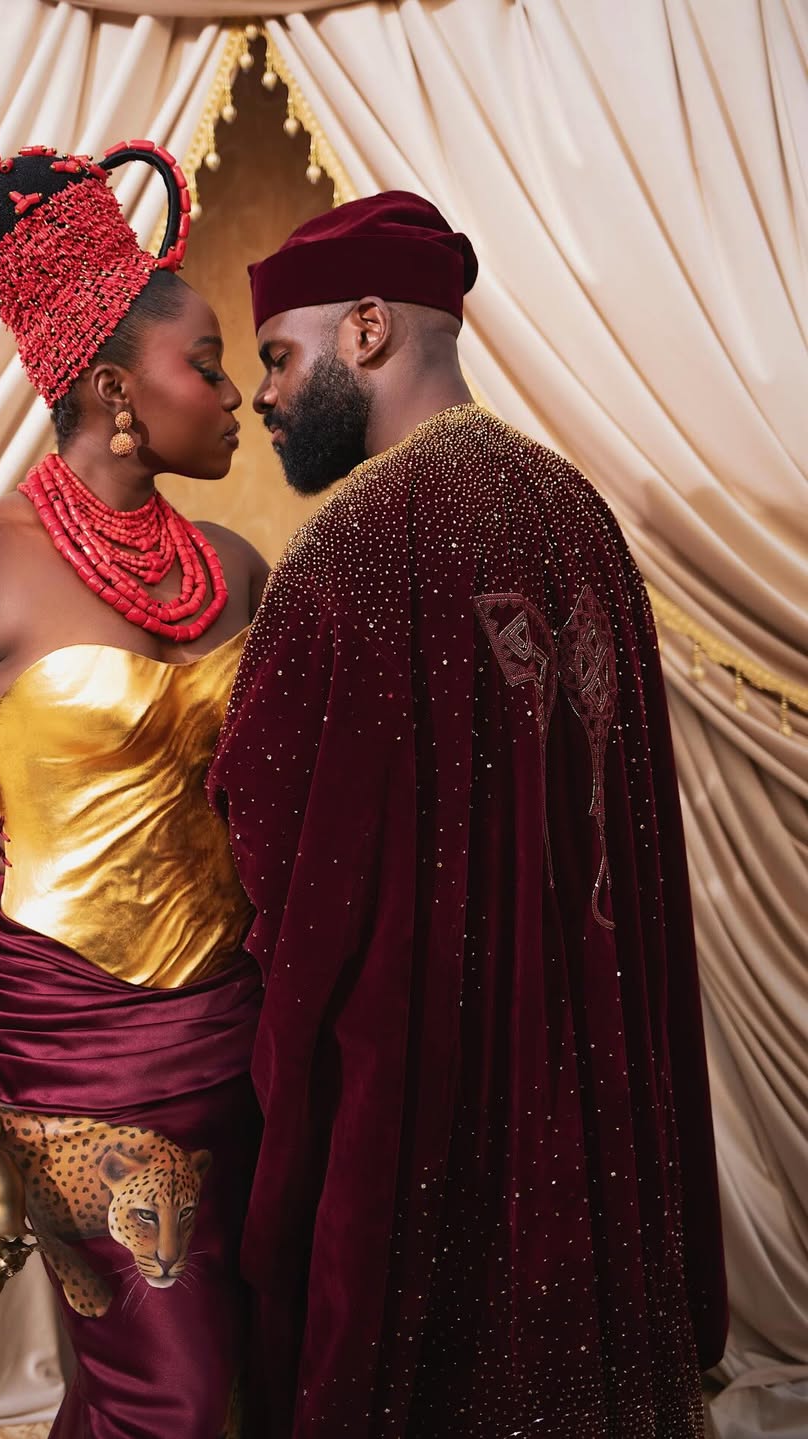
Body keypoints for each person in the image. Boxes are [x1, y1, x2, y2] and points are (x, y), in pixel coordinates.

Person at [207, 193, 727, 1438]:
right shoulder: (579, 516)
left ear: (372, 329)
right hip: (589, 1074)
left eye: (281, 353)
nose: (269, 392)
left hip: (421, 1089)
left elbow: (273, 841)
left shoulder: (349, 550)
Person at [0, 142, 268, 1439]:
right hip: (62, 1032)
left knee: (250, 1372)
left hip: (243, 1021)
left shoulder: (239, 567)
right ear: (114, 386)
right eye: (204, 362)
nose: (233, 392)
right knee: (179, 1396)